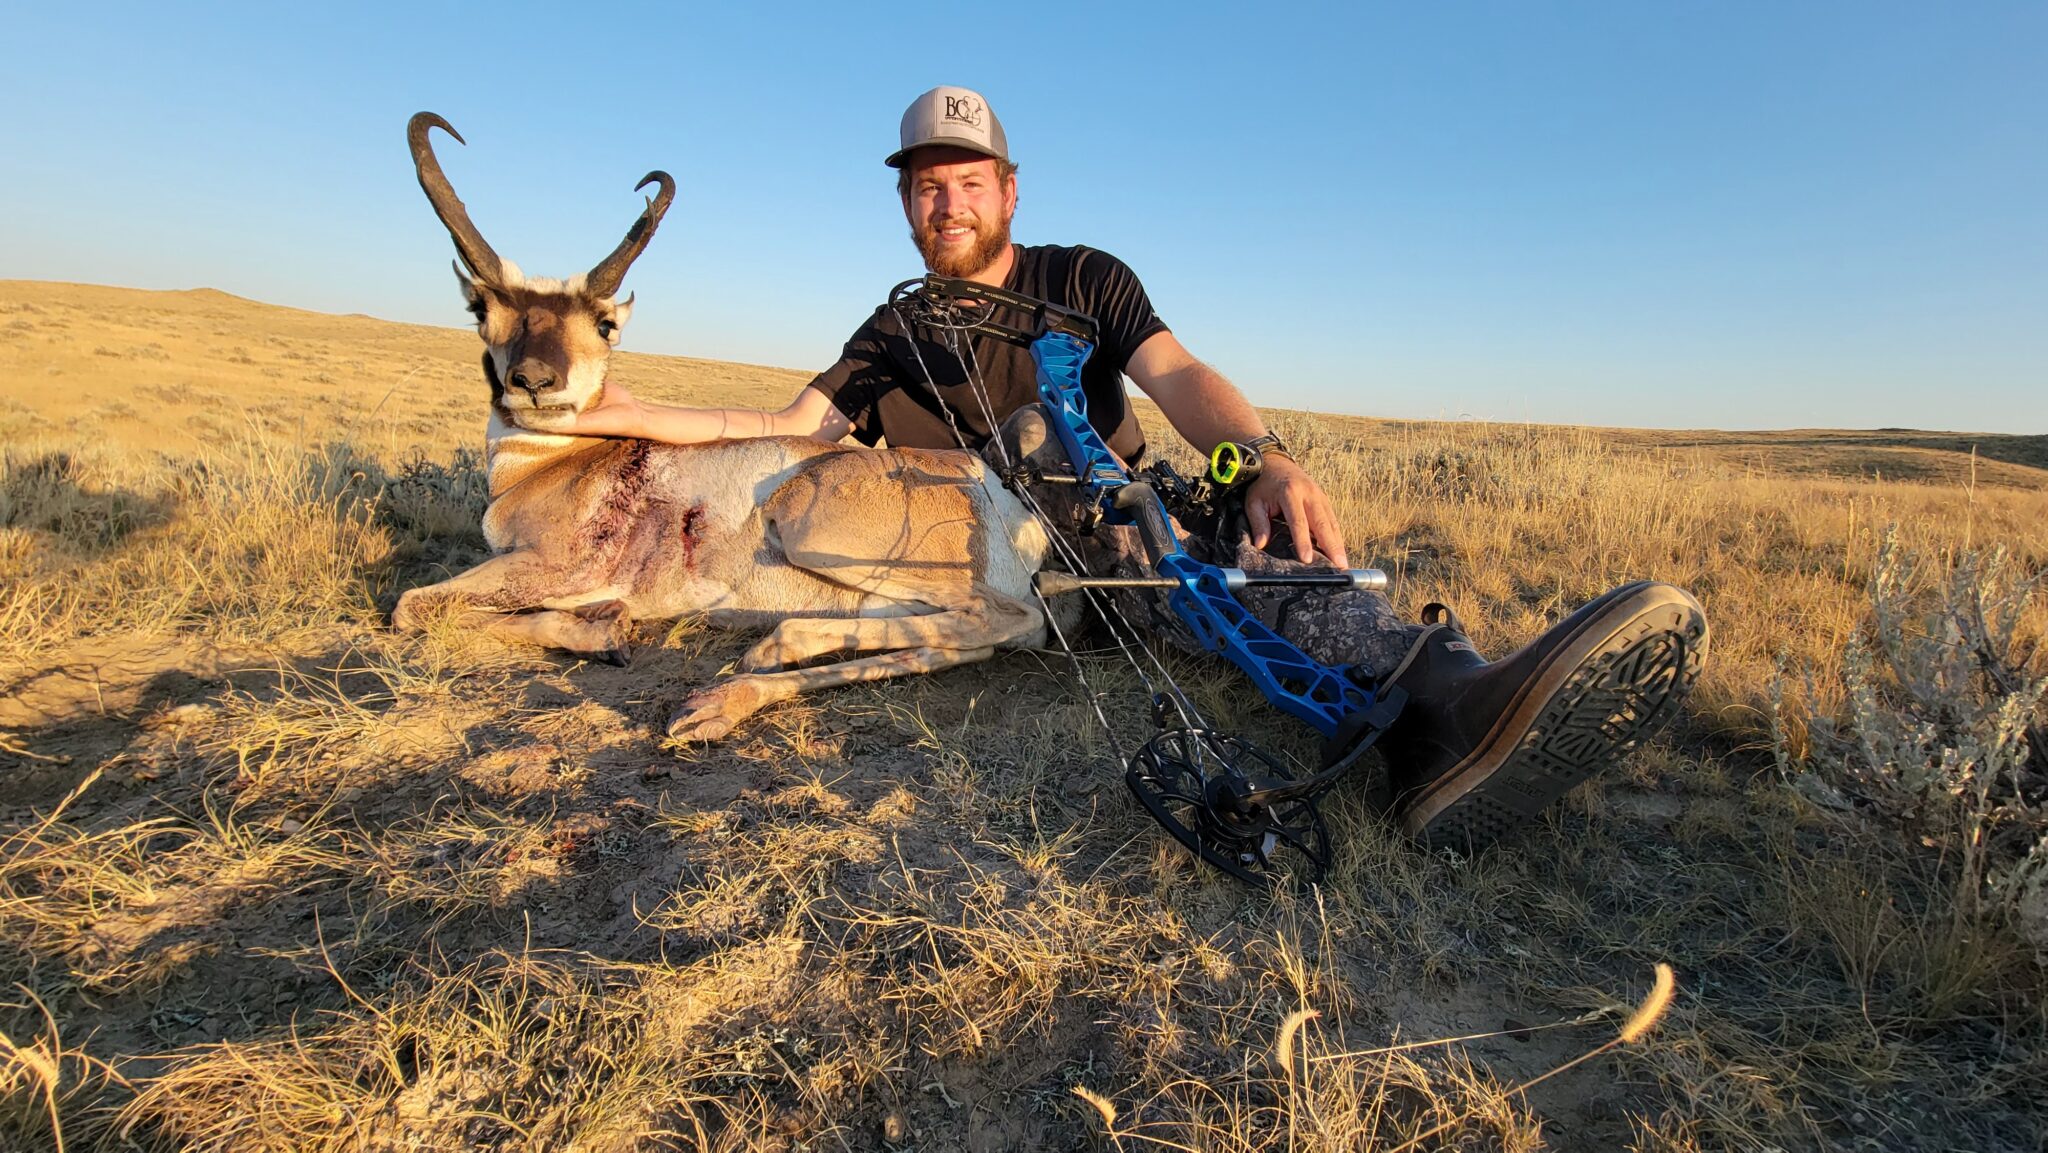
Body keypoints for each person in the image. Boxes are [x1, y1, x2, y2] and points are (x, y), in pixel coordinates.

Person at [569, 86, 1709, 852]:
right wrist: (617, 412)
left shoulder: (1087, 278)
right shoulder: (892, 328)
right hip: (988, 583)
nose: (945, 200)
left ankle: (1444, 707)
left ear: (1008, 192)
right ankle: (1438, 723)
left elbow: (1178, 379)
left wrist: (1260, 457)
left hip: (1130, 536)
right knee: (1031, 460)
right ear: (903, 203)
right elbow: (790, 425)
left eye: (967, 180)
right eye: (924, 183)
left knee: (1256, 543)